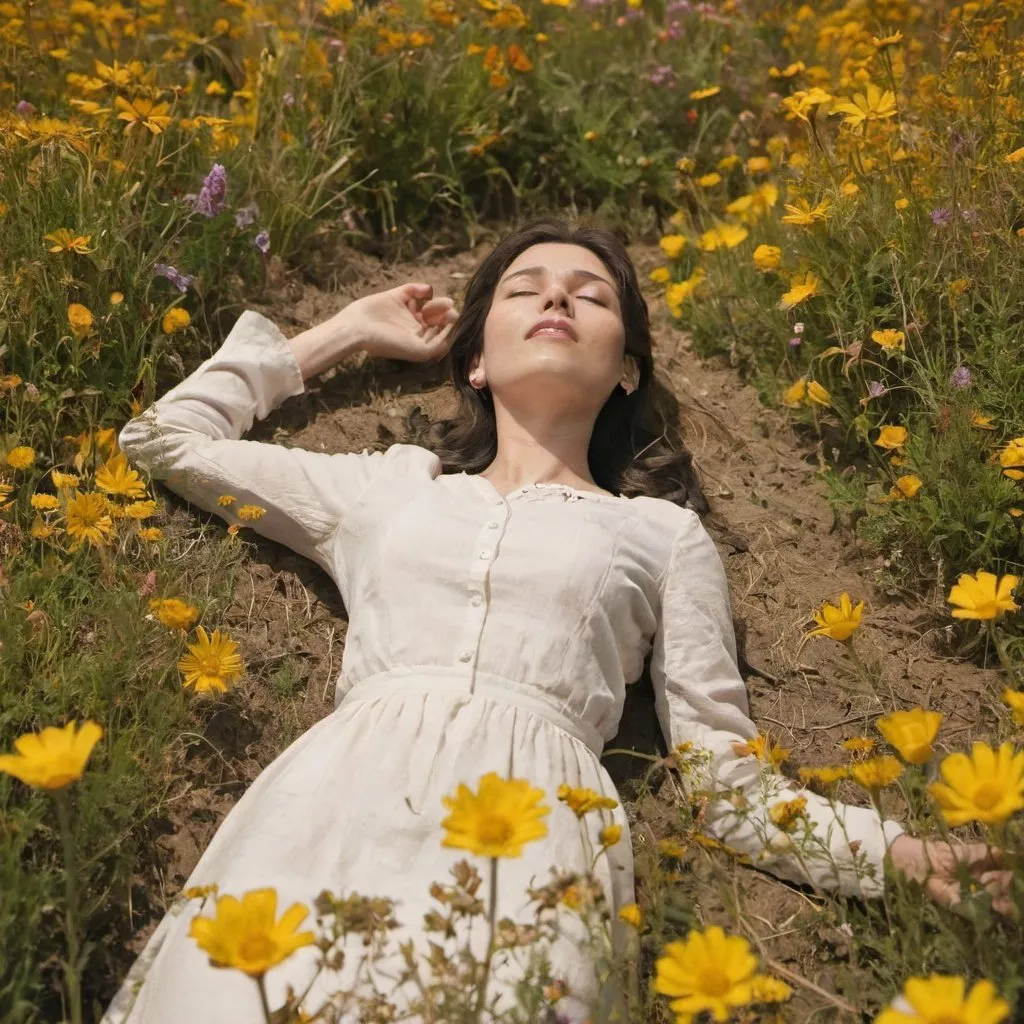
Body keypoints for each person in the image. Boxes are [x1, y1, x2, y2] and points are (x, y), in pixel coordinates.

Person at [101, 218, 1006, 1024]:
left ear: (628, 371)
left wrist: (900, 856)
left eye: (591, 294)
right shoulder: (388, 487)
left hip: (537, 839)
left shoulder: (661, 535)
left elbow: (731, 790)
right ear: (476, 361)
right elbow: (164, 440)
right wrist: (346, 332)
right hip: (327, 808)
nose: (558, 299)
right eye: (525, 289)